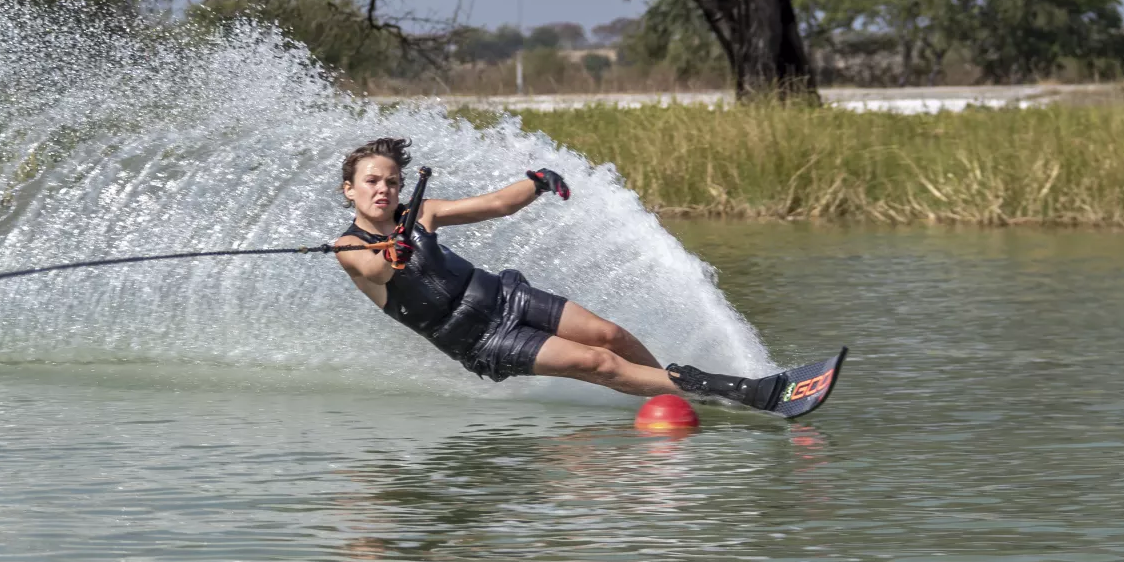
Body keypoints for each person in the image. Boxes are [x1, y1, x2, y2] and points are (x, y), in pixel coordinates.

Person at [334, 138, 788, 409]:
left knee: (609, 335)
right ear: (350, 190)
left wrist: (536, 181)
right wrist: (395, 249)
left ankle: (673, 393)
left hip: (502, 297)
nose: (384, 189)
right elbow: (375, 270)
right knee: (597, 363)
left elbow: (495, 204)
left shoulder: (423, 213)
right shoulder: (348, 245)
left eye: (391, 181)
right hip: (479, 339)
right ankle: (737, 390)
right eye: (372, 181)